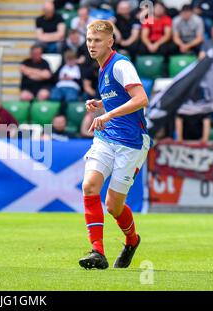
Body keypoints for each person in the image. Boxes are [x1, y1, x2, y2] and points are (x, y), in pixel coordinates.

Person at [79, 20, 150, 270]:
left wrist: (108, 114)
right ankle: (97, 251)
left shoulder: (121, 65)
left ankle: (132, 240)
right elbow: (120, 98)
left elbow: (141, 99)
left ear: (110, 41)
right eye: (89, 40)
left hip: (131, 143)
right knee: (89, 186)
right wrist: (102, 104)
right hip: (107, 138)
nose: (91, 45)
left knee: (113, 205)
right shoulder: (102, 67)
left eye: (97, 41)